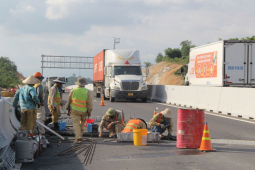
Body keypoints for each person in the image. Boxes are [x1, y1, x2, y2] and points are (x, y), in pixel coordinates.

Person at [66, 77, 92, 143]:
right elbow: (89, 102)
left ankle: (78, 137)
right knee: (82, 124)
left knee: (76, 124)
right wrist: (89, 111)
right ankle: (80, 135)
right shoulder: (87, 91)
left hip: (74, 110)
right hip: (84, 111)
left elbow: (69, 101)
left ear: (78, 83)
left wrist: (68, 109)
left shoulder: (73, 90)